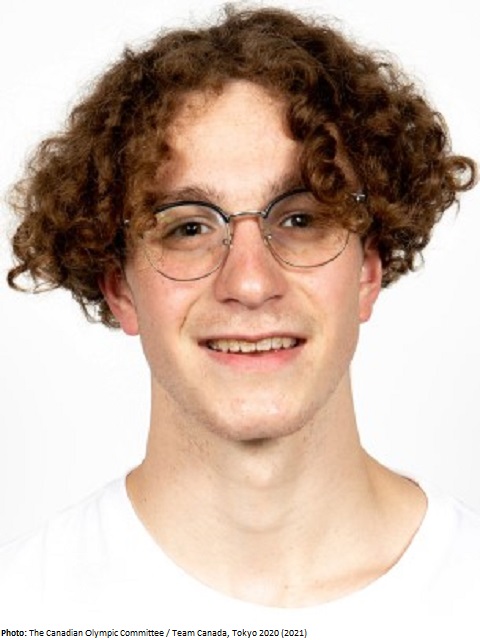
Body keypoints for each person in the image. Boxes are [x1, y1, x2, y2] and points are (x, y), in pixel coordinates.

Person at [2, 5, 479, 633]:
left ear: (367, 271)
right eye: (188, 228)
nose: (250, 283)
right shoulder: (23, 606)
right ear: (120, 289)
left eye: (301, 218)